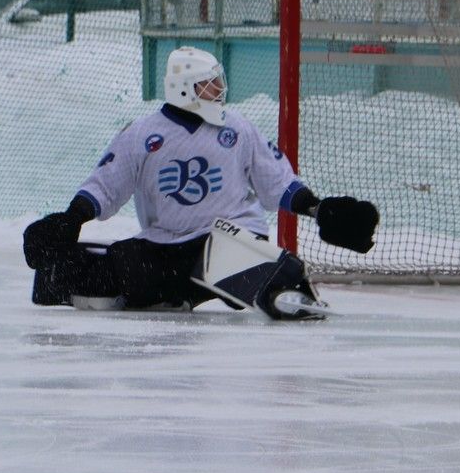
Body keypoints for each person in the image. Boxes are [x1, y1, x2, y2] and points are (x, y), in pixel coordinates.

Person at [22, 45, 378, 319]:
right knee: (107, 273)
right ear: (183, 88)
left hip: (227, 234)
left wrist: (317, 209)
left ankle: (281, 288)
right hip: (167, 246)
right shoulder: (142, 134)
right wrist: (71, 219)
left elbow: (277, 181)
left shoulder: (237, 128)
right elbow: (107, 183)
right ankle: (173, 294)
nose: (219, 90)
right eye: (210, 84)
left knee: (229, 258)